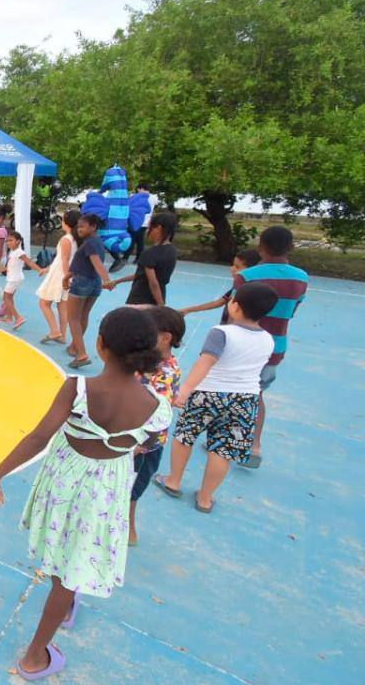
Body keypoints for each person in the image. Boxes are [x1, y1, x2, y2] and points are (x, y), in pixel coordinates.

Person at [0, 307, 171, 680]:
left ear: (100, 345)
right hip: (104, 490)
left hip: (65, 483)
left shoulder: (78, 388)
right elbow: (144, 444)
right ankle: (44, 640)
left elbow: (39, 437)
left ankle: (37, 653)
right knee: (74, 565)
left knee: (63, 563)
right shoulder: (156, 407)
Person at [153, 282, 279, 512]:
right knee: (223, 449)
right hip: (245, 399)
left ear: (236, 307)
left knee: (185, 436)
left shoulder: (221, 332)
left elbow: (206, 362)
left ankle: (173, 481)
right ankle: (205, 497)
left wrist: (186, 389)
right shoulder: (268, 339)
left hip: (209, 392)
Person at [232, 226, 309, 468]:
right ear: (291, 247)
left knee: (230, 390)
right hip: (276, 346)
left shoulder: (247, 276)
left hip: (244, 344)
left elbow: (236, 312)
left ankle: (227, 439)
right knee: (256, 394)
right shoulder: (301, 278)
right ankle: (254, 446)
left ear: (260, 247)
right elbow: (292, 311)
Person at [128, 306, 184, 546]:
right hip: (132, 438)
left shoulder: (164, 371)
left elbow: (156, 414)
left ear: (165, 337)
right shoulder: (150, 361)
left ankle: (128, 527)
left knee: (131, 489)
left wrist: (140, 444)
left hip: (142, 445)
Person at [63, 213, 116, 369]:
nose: (79, 229)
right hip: (94, 283)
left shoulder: (90, 244)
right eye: (78, 226)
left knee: (73, 318)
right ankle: (74, 347)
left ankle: (81, 354)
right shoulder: (97, 242)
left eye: (83, 226)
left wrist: (107, 280)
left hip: (82, 282)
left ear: (93, 227)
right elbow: (82, 265)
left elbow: (96, 262)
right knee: (83, 315)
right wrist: (66, 277)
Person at [110, 212, 178, 305]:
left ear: (158, 228)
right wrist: (117, 281)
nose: (147, 231)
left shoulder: (149, 253)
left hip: (141, 298)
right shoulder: (172, 251)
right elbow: (142, 275)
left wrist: (161, 305)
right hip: (160, 295)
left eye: (150, 228)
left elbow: (153, 282)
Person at [177, 249, 260, 320]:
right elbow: (219, 302)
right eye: (233, 265)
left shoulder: (252, 292)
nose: (232, 269)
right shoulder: (237, 286)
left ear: (251, 270)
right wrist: (188, 310)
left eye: (237, 267)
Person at [35, 209, 78, 344]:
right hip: (67, 273)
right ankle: (63, 335)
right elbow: (62, 259)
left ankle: (55, 331)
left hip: (60, 275)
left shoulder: (66, 239)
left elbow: (64, 260)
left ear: (66, 222)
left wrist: (65, 278)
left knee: (44, 303)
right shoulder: (77, 239)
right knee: (62, 306)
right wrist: (48, 269)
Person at [0, 231, 46, 330]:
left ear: (18, 241)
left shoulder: (19, 252)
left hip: (14, 279)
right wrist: (3, 269)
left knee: (6, 298)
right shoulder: (13, 252)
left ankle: (18, 317)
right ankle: (9, 317)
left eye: (11, 240)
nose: (8, 242)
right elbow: (12, 265)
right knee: (9, 297)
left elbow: (29, 262)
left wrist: (39, 269)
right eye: (7, 241)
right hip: (14, 278)